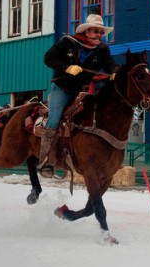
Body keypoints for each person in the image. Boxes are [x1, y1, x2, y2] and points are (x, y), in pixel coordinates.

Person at [39, 14, 116, 178]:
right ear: (87, 32)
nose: (99, 35)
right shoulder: (68, 42)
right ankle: (46, 161)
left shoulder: (102, 50)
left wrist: (115, 73)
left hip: (82, 91)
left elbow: (110, 64)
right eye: (96, 31)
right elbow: (48, 58)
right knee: (54, 120)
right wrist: (67, 68)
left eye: (101, 32)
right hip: (62, 89)